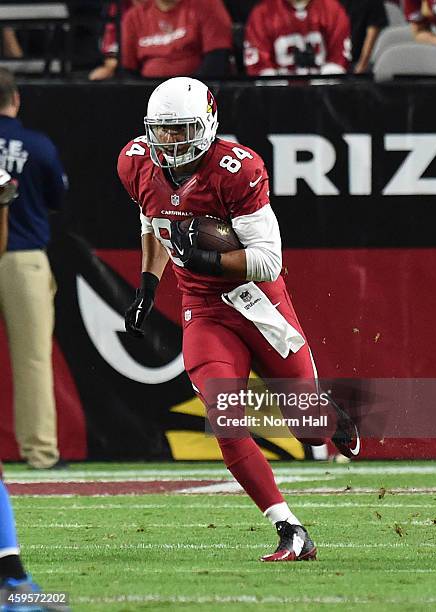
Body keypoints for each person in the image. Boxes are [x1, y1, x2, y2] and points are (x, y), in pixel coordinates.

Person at [118, 76, 360, 561]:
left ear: (206, 125)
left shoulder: (236, 168)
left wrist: (205, 259)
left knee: (309, 430)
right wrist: (148, 285)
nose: (169, 142)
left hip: (258, 303)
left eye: (180, 130)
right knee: (224, 414)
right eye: (161, 131)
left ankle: (327, 416)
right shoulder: (136, 162)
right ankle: (289, 527)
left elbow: (268, 260)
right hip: (204, 310)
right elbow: (154, 220)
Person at [0, 68, 67, 470]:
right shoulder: (36, 145)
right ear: (17, 98)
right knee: (33, 361)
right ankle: (41, 453)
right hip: (24, 258)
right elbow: (57, 198)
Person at [121, 0, 233, 78]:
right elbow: (128, 70)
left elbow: (217, 62)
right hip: (147, 96)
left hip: (196, 96)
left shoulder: (208, 5)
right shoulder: (133, 17)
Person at [244, 0, 351, 75]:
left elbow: (338, 62)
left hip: (324, 99)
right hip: (277, 99)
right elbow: (260, 70)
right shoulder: (262, 14)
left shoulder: (332, 10)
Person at [89, 0, 145, 81]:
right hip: (128, 70)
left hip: (157, 69)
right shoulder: (117, 5)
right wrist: (110, 67)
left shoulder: (162, 5)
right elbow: (111, 54)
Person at [340, 0, 387, 73]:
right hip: (330, 63)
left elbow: (374, 27)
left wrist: (362, 65)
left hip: (357, 63)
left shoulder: (373, 2)